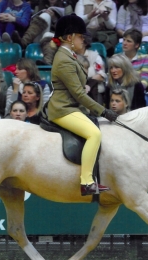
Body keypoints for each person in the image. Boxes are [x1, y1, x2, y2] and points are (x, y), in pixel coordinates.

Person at [47, 14, 118, 196]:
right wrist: (103, 111)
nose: (83, 41)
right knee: (94, 134)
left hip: (72, 108)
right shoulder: (64, 60)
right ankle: (86, 182)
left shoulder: (70, 56)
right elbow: (78, 93)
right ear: (69, 38)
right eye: (80, 37)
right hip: (63, 109)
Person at [75, 35, 107, 104]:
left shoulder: (95, 56)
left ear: (85, 43)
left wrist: (89, 84)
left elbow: (101, 76)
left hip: (95, 92)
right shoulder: (70, 56)